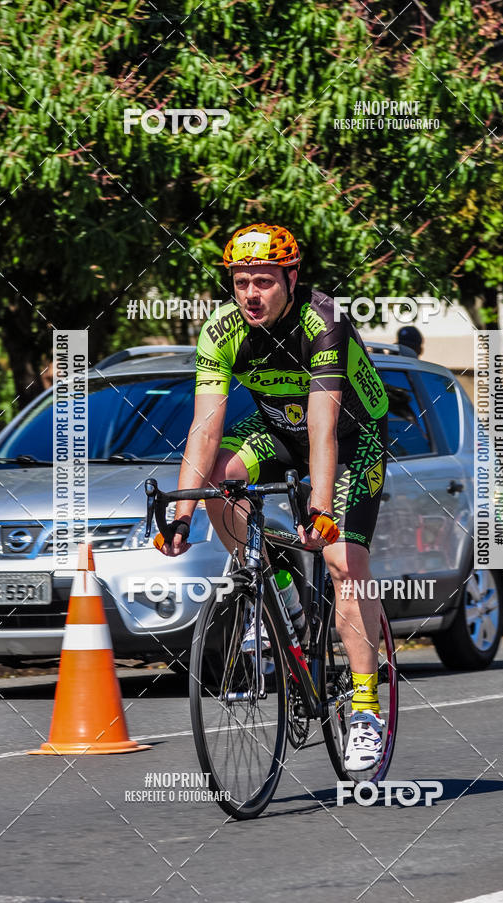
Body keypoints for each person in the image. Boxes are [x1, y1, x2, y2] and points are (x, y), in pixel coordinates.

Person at [159, 222, 390, 771]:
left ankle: (364, 709)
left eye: (263, 281)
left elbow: (324, 430)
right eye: (240, 282)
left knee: (342, 563)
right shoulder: (220, 332)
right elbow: (204, 429)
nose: (250, 294)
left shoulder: (324, 321)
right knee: (216, 470)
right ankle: (271, 588)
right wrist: (182, 513)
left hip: (352, 437)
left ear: (291, 277)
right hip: (277, 431)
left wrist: (322, 505)